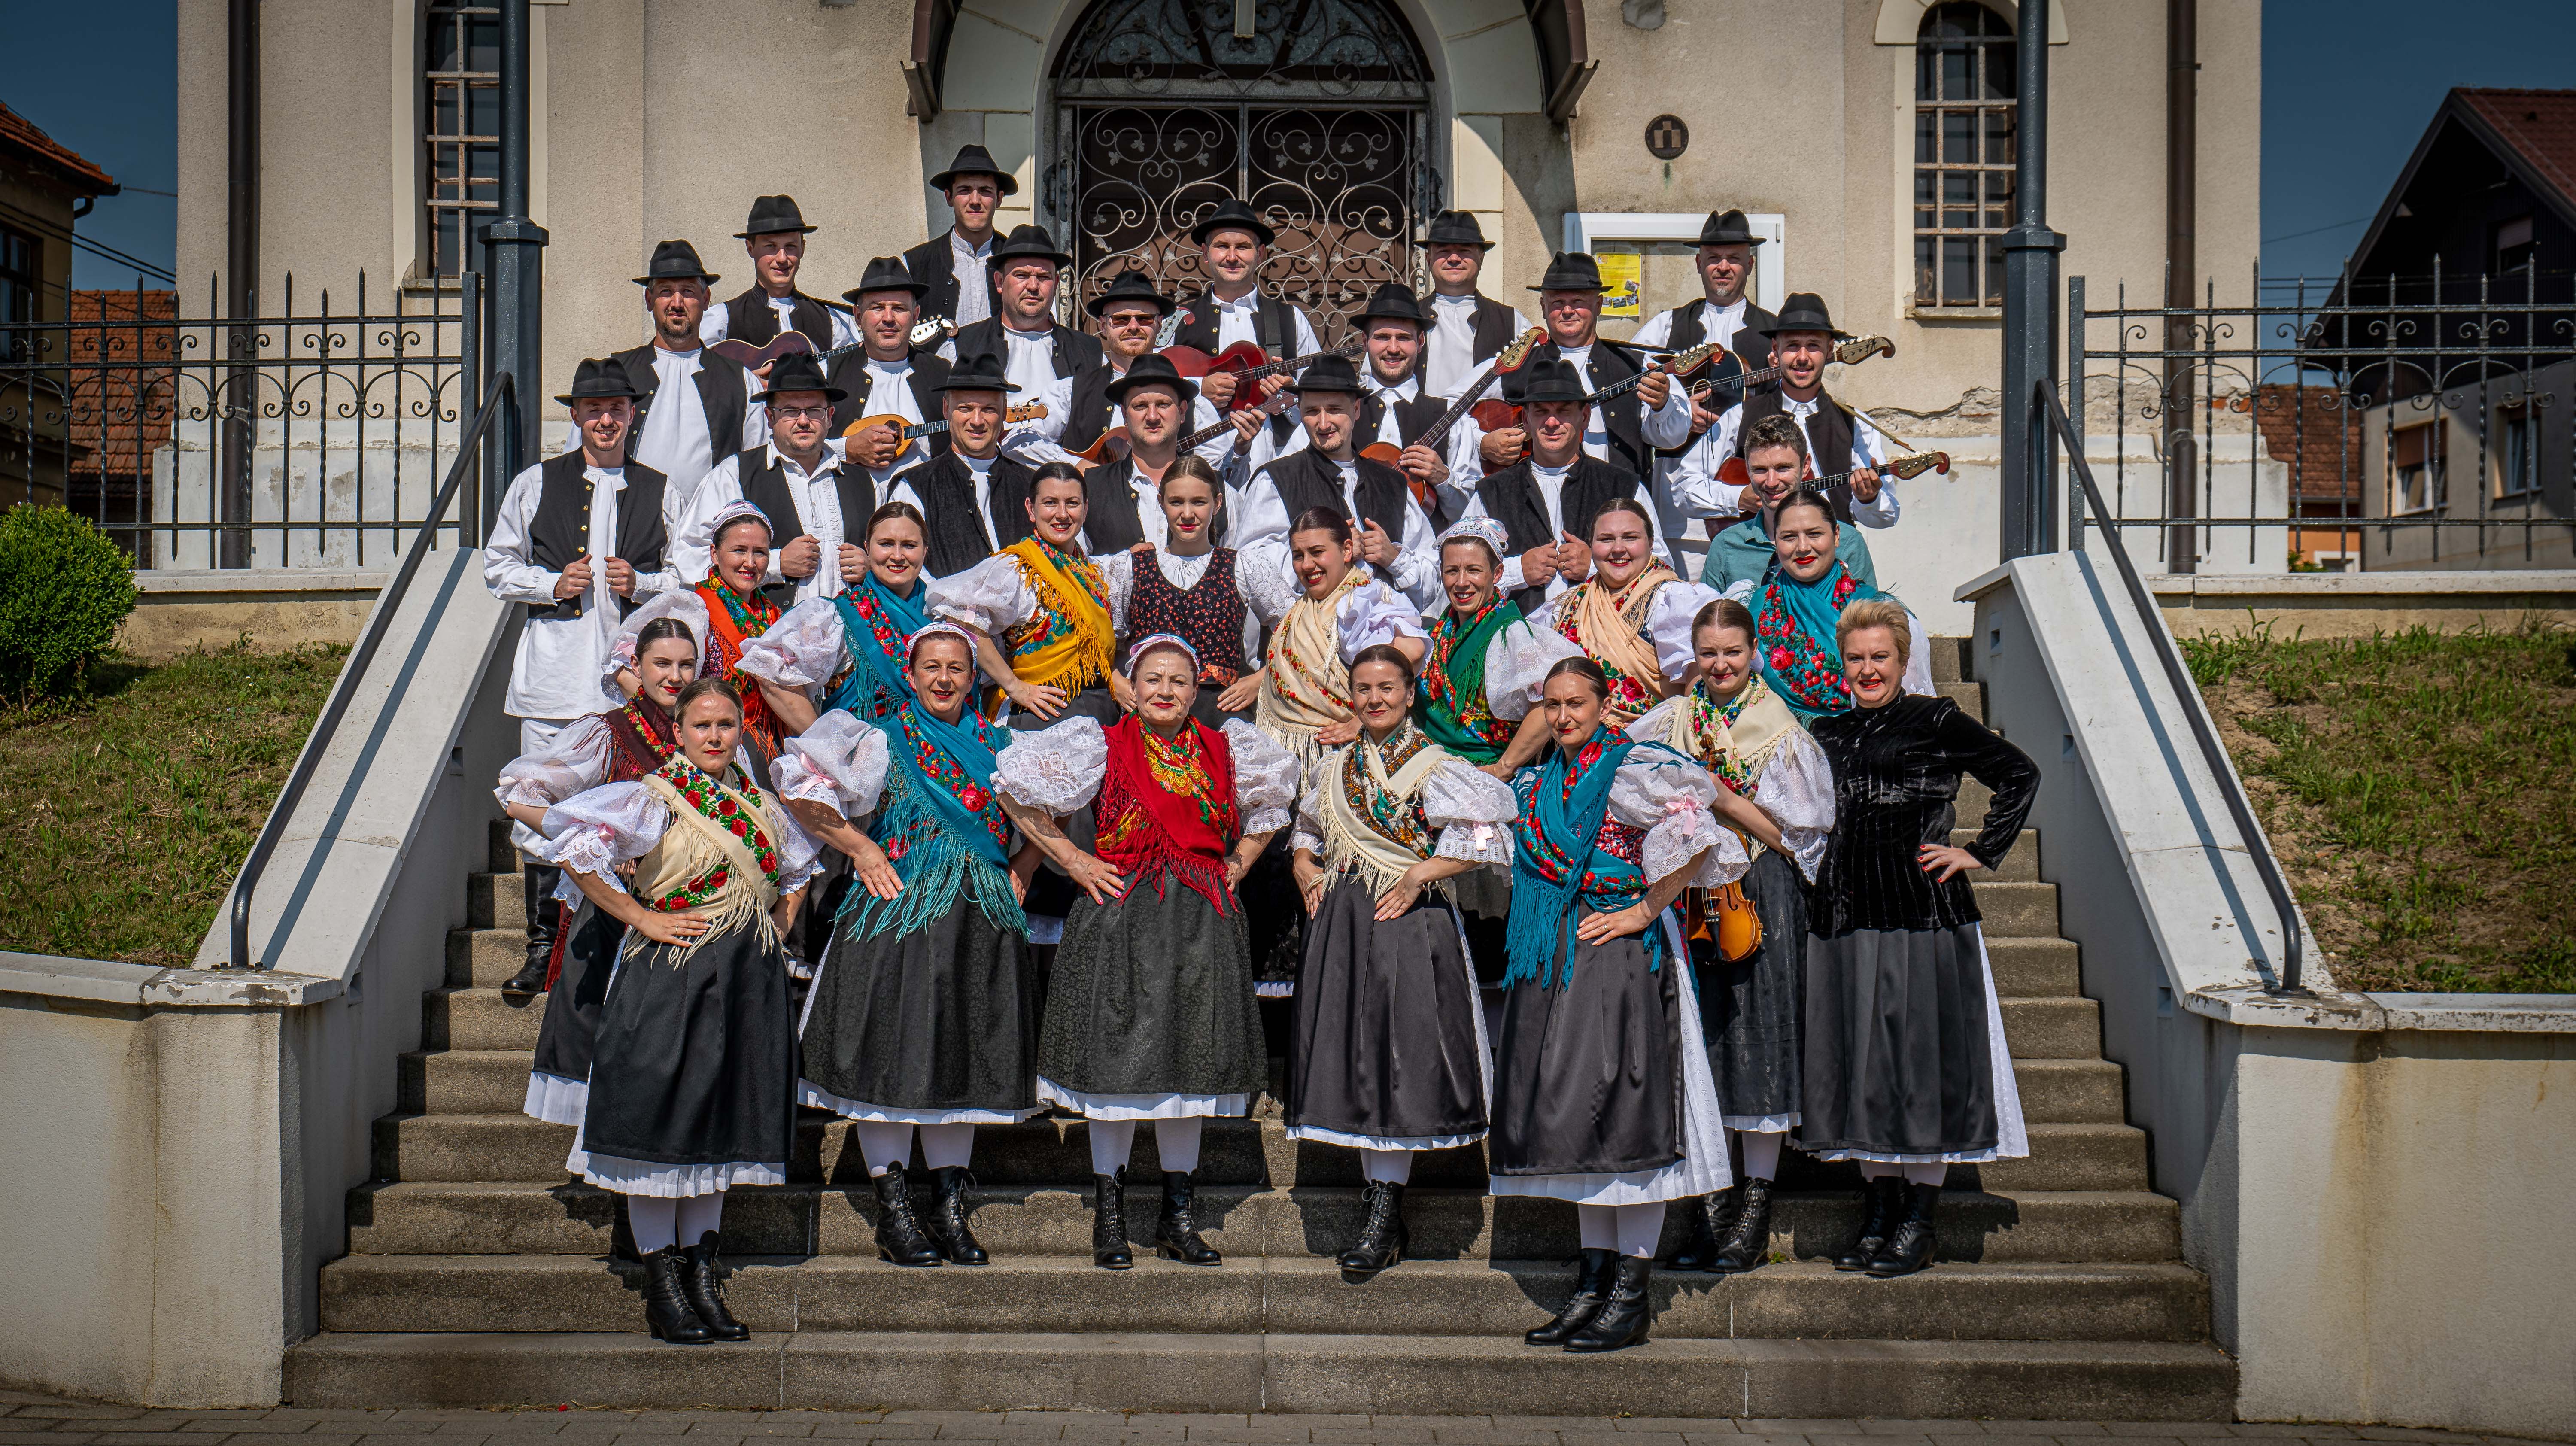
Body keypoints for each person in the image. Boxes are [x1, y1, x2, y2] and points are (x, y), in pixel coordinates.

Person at [522, 676, 821, 1345]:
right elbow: (573, 849)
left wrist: (779, 919)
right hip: (669, 977)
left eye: (726, 726)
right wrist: (638, 916)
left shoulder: (761, 805)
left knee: (719, 1122)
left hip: (746, 980)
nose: (716, 737)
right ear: (680, 733)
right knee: (662, 1119)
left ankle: (702, 1281)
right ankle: (664, 1289)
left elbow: (799, 872)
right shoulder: (649, 798)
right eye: (702, 727)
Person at [993, 635, 1300, 1270]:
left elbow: (1273, 807)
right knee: (1117, 1062)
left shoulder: (1227, 748)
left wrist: (1239, 862)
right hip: (1123, 915)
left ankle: (1176, 1217)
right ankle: (1109, 1217)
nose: (1165, 691)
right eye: (1153, 679)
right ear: (1131, 687)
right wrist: (1075, 860)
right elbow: (1016, 789)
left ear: (1196, 690)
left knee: (1188, 1061)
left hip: (1200, 920)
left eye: (1179, 681)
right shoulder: (1101, 743)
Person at [772, 623, 1045, 1269]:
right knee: (893, 1055)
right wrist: (862, 848)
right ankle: (896, 1213)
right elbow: (799, 789)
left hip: (979, 915)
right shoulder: (877, 738)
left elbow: (1051, 814)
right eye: (932, 668)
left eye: (957, 668)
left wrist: (1026, 867)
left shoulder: (1003, 746)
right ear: (912, 673)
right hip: (898, 911)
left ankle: (948, 1212)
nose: (945, 679)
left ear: (974, 676)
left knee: (958, 1056)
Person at [1493, 657, 1741, 1354]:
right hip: (1562, 953)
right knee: (1582, 1119)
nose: (1565, 715)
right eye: (1554, 703)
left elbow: (1700, 836)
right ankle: (1593, 1286)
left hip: (1627, 953)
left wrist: (1645, 908)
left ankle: (1631, 1296)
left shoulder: (1638, 766)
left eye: (1578, 702)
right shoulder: (1541, 780)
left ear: (1606, 703)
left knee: (1626, 1110)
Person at [1804, 598, 2038, 1279]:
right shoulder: (1828, 730)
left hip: (1920, 913)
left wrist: (1979, 851)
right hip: (1847, 913)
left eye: (1881, 657)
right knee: (1866, 1067)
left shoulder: (1934, 718)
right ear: (1841, 663)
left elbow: (2019, 774)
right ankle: (1878, 1211)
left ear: (1904, 662)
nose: (1869, 669)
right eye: (1857, 658)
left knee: (1921, 1066)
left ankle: (1918, 1221)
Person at [1286, 642, 1516, 1271]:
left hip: (1411, 919)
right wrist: (1305, 863)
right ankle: (1378, 1204)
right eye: (1364, 689)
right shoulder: (1334, 768)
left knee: (1402, 1052)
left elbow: (1486, 840)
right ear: (1351, 697)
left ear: (1410, 694)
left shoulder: (1436, 765)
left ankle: (1386, 1210)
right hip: (1347, 920)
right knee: (1357, 1053)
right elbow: (1308, 833)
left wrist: (1419, 877)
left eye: (1388, 688)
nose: (1376, 699)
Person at [1629, 598, 1836, 1274]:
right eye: (1708, 653)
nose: (1719, 665)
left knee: (1757, 1034)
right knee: (1704, 1036)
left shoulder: (1779, 732)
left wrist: (1720, 798)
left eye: (1732, 652)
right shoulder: (1671, 721)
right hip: (1688, 892)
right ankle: (1712, 1206)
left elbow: (1798, 840)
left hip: (1758, 893)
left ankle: (1754, 1204)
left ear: (1754, 654)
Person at [484, 357, 677, 993]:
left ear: (631, 415)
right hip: (552, 676)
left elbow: (684, 577)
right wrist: (548, 583)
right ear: (577, 416)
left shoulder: (658, 488)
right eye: (594, 410)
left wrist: (642, 583)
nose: (605, 421)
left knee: (634, 804)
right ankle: (543, 947)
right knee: (540, 808)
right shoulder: (536, 483)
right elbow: (497, 566)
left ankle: (617, 937)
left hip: (627, 686)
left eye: (617, 410)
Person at [491, 598, 702, 1035]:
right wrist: (598, 842)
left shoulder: (709, 730)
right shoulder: (608, 731)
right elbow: (520, 793)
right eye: (662, 663)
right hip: (617, 905)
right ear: (636, 665)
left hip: (693, 901)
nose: (675, 677)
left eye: (686, 665)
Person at [1627, 209, 1779, 571]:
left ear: (1750, 265)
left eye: (1734, 259)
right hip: (1678, 512)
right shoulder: (1665, 327)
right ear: (1698, 264)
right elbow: (1632, 398)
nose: (1723, 267)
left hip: (1752, 504)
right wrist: (1674, 416)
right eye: (1713, 259)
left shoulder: (1775, 333)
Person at [1230, 355, 1443, 611]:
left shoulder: (1393, 484)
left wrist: (1394, 558)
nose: (1323, 423)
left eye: (1334, 410)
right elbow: (1250, 569)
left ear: (1356, 410)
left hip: (1383, 644)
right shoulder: (1276, 480)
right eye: (1311, 411)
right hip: (1307, 644)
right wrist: (1326, 549)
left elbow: (1433, 583)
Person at [1456, 359, 1669, 610]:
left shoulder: (1624, 487)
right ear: (1526, 420)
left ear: (1585, 417)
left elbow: (1663, 570)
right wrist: (1516, 571)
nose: (1552, 422)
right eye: (1542, 412)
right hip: (1513, 640)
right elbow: (1457, 568)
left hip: (1602, 642)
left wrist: (1597, 565)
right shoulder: (1492, 492)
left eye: (1564, 411)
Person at [1676, 293, 1899, 532]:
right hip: (1757, 557)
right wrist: (1739, 497)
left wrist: (1869, 499)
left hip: (1831, 561)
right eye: (1793, 346)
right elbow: (1684, 486)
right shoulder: (1740, 415)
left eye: (1813, 346)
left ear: (1830, 349)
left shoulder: (1856, 425)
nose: (1802, 358)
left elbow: (1887, 516)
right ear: (1776, 348)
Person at [1098, 456, 1292, 729]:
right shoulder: (1130, 567)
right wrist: (1116, 680)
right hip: (1151, 713)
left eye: (1198, 502)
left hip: (1221, 711)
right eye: (1177, 502)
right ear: (1162, 502)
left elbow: (1294, 630)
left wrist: (1259, 680)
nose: (1187, 514)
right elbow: (1108, 642)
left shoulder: (1243, 566)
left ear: (1218, 504)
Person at [929, 462, 1124, 729]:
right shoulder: (1016, 567)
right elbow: (962, 619)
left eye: (1073, 503)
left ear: (1086, 509)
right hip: (1042, 715)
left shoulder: (1089, 571)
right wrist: (1015, 687)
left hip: (1098, 709)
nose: (1062, 514)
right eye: (1051, 503)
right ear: (1031, 509)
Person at [674, 353, 875, 608]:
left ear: (830, 416)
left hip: (850, 640)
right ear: (770, 417)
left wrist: (872, 567)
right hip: (765, 640)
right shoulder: (735, 475)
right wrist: (773, 564)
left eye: (814, 410)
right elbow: (689, 558)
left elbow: (899, 558)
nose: (803, 421)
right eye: (790, 411)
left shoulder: (865, 484)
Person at [1725, 486, 1933, 726]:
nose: (1803, 547)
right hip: (1778, 752)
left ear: (1836, 535)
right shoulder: (1751, 608)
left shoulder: (1879, 612)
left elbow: (1909, 707)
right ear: (1776, 540)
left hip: (1861, 748)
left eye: (1814, 534)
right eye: (1789, 537)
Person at [1478, 252, 1692, 482]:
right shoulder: (1516, 364)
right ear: (1543, 306)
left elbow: (1674, 437)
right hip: (1535, 500)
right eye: (1558, 302)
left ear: (1598, 304)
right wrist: (1483, 443)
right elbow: (1452, 409)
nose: (1568, 311)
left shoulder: (1637, 363)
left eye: (1578, 302)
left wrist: (1662, 406)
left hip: (1616, 503)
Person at [736, 501, 936, 732]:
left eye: (910, 545)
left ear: (926, 551)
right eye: (886, 544)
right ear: (867, 549)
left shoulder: (941, 612)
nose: (898, 556)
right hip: (862, 760)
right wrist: (825, 747)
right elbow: (771, 670)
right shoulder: (838, 616)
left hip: (942, 760)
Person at [1042, 270, 1234, 470]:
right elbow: (1025, 444)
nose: (1133, 327)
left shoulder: (1191, 396)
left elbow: (1218, 469)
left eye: (1144, 319)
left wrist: (1241, 449)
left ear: (1159, 324)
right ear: (1104, 325)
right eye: (1121, 320)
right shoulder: (1069, 391)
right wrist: (1080, 467)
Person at [887, 352, 1042, 578]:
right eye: (966, 408)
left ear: (1004, 410)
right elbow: (905, 569)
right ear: (946, 410)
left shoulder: (1031, 484)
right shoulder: (915, 487)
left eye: (989, 409)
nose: (977, 421)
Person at [614, 240, 747, 500]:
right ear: (649, 299)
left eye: (687, 291)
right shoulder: (617, 374)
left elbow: (757, 465)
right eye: (666, 291)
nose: (677, 303)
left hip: (711, 530)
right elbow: (584, 461)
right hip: (631, 528)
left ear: (706, 299)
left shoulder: (740, 379)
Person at [1347, 282, 1486, 527]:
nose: (1393, 349)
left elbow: (1474, 515)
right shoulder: (1340, 411)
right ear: (1365, 341)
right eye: (1382, 337)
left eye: (1404, 338)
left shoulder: (1451, 417)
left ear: (1421, 342)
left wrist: (1443, 478)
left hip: (1430, 561)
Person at [946, 224, 1102, 440]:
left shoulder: (1090, 352)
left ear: (1056, 284)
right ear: (1000, 282)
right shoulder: (961, 347)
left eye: (1044, 277)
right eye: (1021, 275)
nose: (1033, 286)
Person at [1698, 415, 1880, 595]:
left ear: (1806, 466)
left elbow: (1869, 620)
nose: (1771, 482)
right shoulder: (1726, 545)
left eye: (1783, 468)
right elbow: (1707, 620)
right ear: (1747, 469)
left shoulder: (1848, 542)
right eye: (1760, 470)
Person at [1060, 353, 1222, 554]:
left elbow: (1237, 559)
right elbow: (1076, 566)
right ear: (1125, 415)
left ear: (1182, 411)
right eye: (1141, 406)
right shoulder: (1090, 487)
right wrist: (1122, 565)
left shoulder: (1216, 485)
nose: (1153, 417)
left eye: (1163, 404)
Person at [690, 502, 797, 779]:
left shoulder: (774, 615)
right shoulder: (696, 610)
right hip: (720, 747)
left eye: (760, 553)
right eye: (739, 550)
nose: (750, 563)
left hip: (772, 739)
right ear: (715, 553)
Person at [830, 256, 953, 479]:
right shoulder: (830, 374)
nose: (889, 318)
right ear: (858, 316)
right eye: (877, 308)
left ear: (915, 316)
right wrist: (846, 450)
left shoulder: (942, 374)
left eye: (899, 308)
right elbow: (796, 446)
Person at [1170, 198, 1323, 362]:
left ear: (1260, 254)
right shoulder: (1176, 320)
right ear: (1206, 253)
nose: (1232, 257)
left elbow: (1317, 383)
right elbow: (1157, 381)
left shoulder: (1293, 319)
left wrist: (1290, 385)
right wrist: (1201, 386)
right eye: (1222, 246)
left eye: (1242, 247)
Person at [702, 195, 858, 352]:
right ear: (750, 248)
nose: (782, 258)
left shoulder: (833, 321)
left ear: (802, 248)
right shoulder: (723, 319)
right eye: (771, 247)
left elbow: (848, 373)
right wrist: (746, 377)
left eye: (790, 246)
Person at [1418, 210, 1530, 401]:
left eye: (1464, 251)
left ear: (1481, 258)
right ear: (1429, 259)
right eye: (1444, 251)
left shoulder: (1512, 321)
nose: (1454, 259)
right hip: (1421, 430)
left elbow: (1531, 387)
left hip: (1489, 431)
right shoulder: (1407, 316)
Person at [902, 144, 1012, 329]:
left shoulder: (1019, 259)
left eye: (985, 191)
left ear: (999, 199)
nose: (975, 201)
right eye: (965, 190)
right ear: (949, 198)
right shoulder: (915, 263)